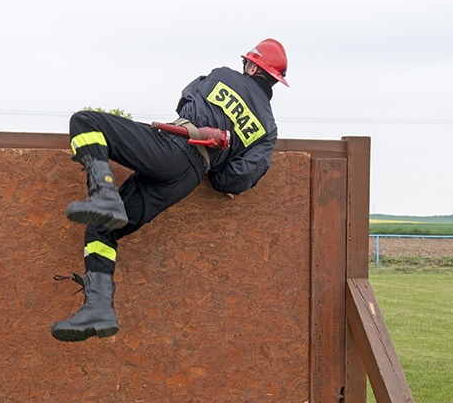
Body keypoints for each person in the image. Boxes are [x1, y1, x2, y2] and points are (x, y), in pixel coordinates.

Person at [51, 38, 289, 342]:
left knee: (85, 122)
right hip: (187, 179)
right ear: (274, 80)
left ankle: (103, 196)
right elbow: (234, 180)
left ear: (253, 65)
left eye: (248, 63)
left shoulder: (223, 76)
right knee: (102, 228)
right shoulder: (268, 129)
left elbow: (186, 102)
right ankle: (98, 307)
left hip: (174, 146)